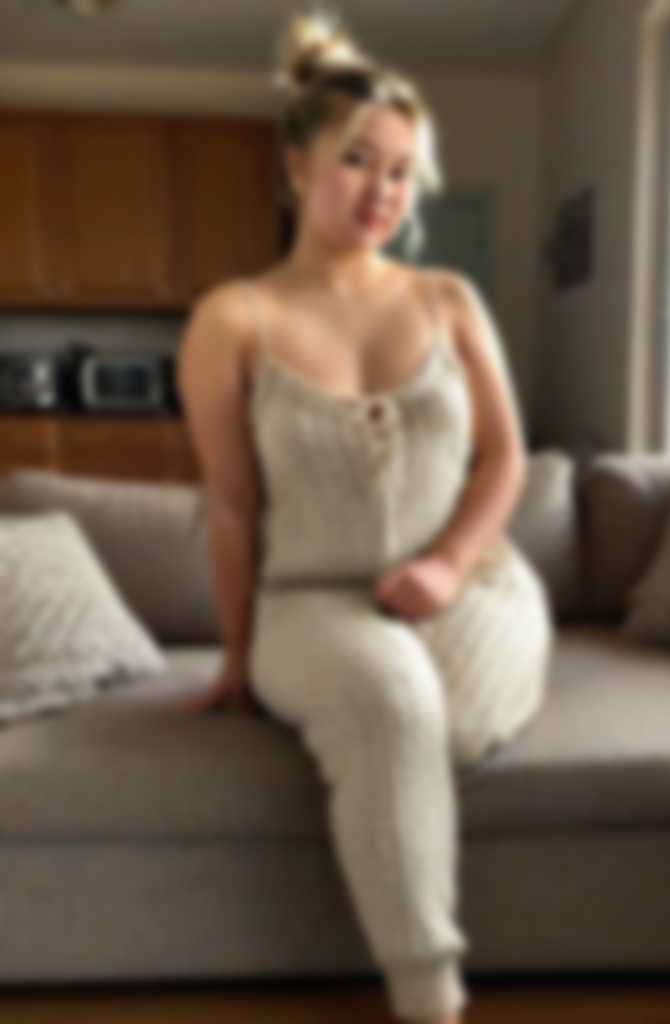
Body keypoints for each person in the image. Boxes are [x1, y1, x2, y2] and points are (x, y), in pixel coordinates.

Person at [175, 7, 554, 1023]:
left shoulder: (449, 300)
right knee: (390, 701)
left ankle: (382, 739)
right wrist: (238, 657)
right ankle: (431, 998)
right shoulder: (232, 318)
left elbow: (506, 458)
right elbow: (232, 505)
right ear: (296, 164)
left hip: (471, 584)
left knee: (434, 721)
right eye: (357, 161)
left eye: (401, 171)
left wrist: (447, 565)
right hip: (313, 601)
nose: (383, 190)